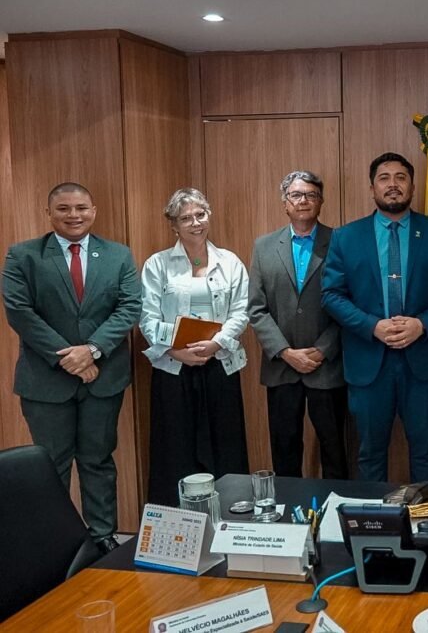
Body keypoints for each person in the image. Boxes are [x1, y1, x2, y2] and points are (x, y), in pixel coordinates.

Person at [2, 182, 141, 553]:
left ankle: (102, 538)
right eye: (64, 209)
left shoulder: (118, 255)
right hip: (46, 382)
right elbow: (20, 312)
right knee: (51, 467)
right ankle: (54, 545)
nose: (73, 215)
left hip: (103, 379)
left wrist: (92, 351)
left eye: (81, 207)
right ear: (49, 213)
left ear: (93, 210)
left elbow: (129, 307)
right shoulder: (23, 256)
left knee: (98, 460)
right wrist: (71, 358)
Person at [321, 152, 428, 483]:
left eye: (400, 178)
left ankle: (422, 525)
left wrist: (422, 324)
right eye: (384, 178)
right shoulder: (347, 237)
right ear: (372, 188)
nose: (393, 185)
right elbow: (331, 295)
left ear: (412, 186)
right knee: (370, 452)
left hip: (422, 362)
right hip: (369, 364)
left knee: (426, 450)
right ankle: (374, 526)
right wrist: (372, 326)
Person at [140, 188, 250, 506]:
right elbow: (147, 317)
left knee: (225, 446)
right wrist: (176, 350)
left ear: (209, 216)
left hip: (220, 364)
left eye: (200, 215)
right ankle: (176, 524)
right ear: (174, 225)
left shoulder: (229, 262)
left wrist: (216, 343)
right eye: (186, 218)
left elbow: (241, 311)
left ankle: (232, 515)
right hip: (173, 368)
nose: (195, 223)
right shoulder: (157, 265)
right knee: (176, 448)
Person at [249, 171, 347, 479]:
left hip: (327, 367)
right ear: (285, 203)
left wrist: (322, 350)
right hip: (282, 367)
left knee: (334, 447)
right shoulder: (264, 246)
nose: (303, 200)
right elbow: (256, 308)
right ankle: (289, 515)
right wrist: (285, 352)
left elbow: (350, 303)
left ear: (321, 201)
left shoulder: (341, 242)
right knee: (284, 448)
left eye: (311, 195)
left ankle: (334, 516)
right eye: (296, 195)